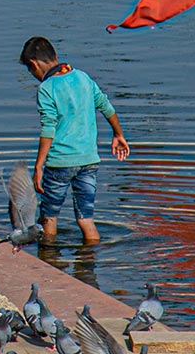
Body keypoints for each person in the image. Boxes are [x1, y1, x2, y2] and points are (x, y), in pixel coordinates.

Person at [20, 35, 128, 243]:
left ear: (33, 64)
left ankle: (49, 263)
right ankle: (89, 265)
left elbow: (49, 128)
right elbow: (106, 106)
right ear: (55, 56)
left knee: (49, 218)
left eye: (30, 70)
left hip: (60, 162)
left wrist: (39, 165)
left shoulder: (46, 88)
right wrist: (118, 133)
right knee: (86, 219)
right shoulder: (83, 78)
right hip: (89, 161)